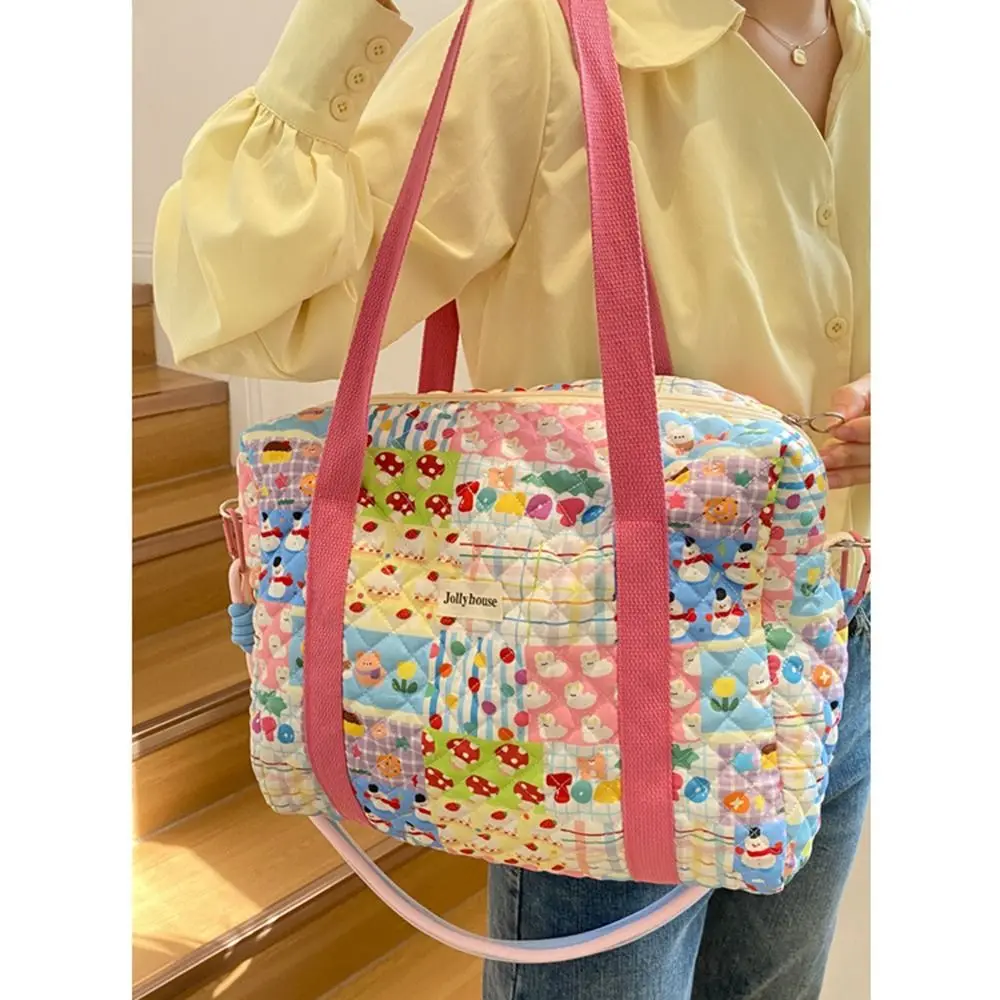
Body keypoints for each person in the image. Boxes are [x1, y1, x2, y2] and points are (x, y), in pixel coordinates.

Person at [153, 0, 871, 996]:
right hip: (594, 678)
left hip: (845, 639)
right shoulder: (546, 29)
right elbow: (243, 307)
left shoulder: (876, 57)